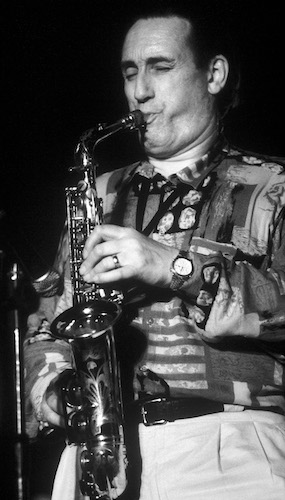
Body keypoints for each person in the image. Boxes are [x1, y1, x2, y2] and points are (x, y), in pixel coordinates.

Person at [24, 1, 285, 499]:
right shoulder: (99, 193)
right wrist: (53, 389)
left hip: (230, 453)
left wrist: (173, 266)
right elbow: (47, 325)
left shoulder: (272, 187)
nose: (139, 91)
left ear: (214, 74)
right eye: (130, 72)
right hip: (97, 456)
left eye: (160, 67)